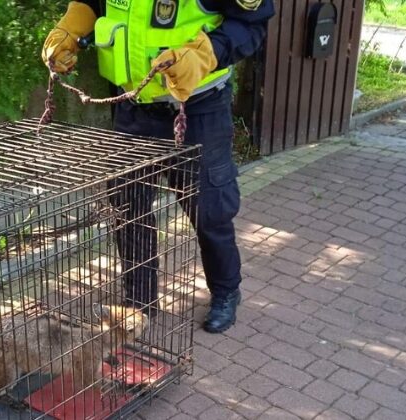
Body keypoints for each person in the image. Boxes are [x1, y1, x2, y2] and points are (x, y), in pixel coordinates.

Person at [42, 0, 275, 333]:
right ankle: (140, 302)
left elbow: (252, 23)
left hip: (200, 108)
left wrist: (207, 52)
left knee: (209, 207)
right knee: (128, 207)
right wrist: (70, 27)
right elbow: (91, 3)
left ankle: (226, 291)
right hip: (133, 107)